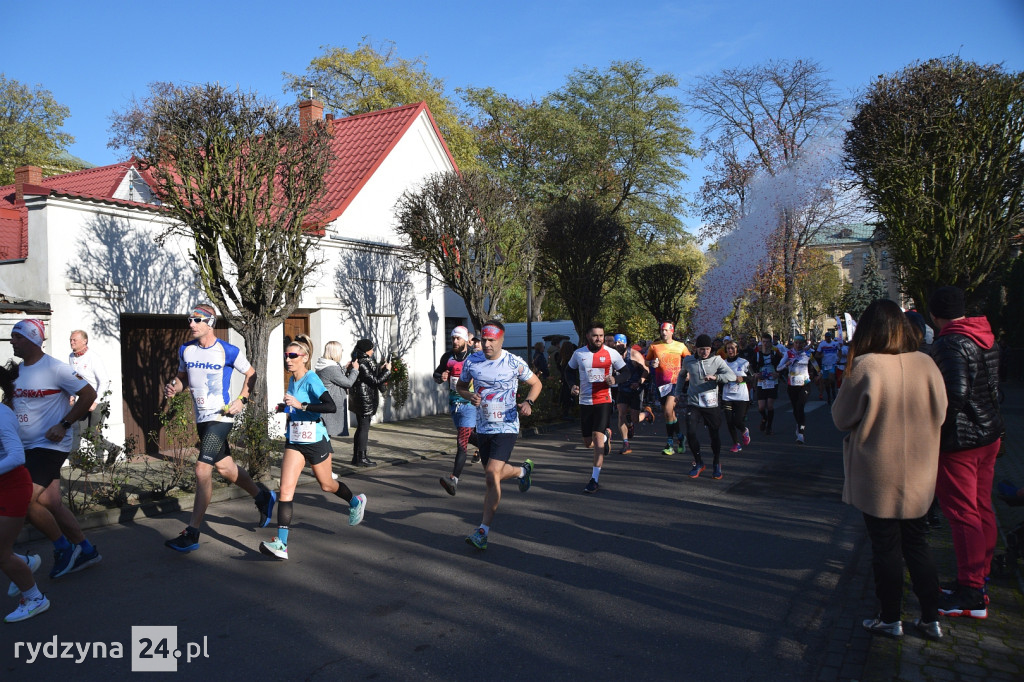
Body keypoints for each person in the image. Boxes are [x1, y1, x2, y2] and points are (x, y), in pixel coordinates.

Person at [832, 299, 948, 641]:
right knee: (917, 543)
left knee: (885, 548)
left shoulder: (865, 366)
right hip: (919, 469)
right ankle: (930, 617)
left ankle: (889, 617)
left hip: (877, 472)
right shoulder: (926, 363)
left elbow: (841, 419)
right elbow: (941, 413)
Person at [162, 304, 275, 553]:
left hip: (221, 417)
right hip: (202, 418)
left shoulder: (228, 350)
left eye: (197, 319)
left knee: (202, 469)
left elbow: (252, 374)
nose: (191, 324)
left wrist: (242, 399)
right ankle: (262, 496)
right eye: (189, 319)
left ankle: (192, 532)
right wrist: (174, 388)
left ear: (210, 322)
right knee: (225, 467)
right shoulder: (186, 350)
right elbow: (183, 380)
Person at [929, 286, 1004, 619]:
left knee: (962, 513)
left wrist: (935, 425)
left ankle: (971, 591)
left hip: (961, 440)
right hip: (989, 433)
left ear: (935, 314)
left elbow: (955, 395)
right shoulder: (984, 336)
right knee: (981, 505)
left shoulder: (949, 342)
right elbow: (994, 388)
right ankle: (979, 577)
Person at [259, 336, 367, 560]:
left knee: (327, 485)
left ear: (305, 358)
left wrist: (302, 405)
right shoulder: (292, 380)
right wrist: (285, 407)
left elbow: (330, 405)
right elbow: (295, 406)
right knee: (286, 490)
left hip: (316, 439)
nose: (288, 360)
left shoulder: (312, 379)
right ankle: (282, 544)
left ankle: (355, 501)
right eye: (286, 356)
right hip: (296, 440)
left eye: (293, 356)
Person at [10, 319, 102, 577]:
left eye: (16, 337)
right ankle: (86, 549)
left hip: (49, 445)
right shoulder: (18, 371)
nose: (11, 342)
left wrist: (64, 424)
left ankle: (63, 547)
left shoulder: (56, 369)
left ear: (31, 340)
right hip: (26, 445)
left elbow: (89, 394)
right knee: (51, 502)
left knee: (24, 499)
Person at [456, 320, 541, 550]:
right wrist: (468, 396)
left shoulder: (513, 362)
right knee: (493, 474)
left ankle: (482, 531)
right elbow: (460, 387)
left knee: (491, 474)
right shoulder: (472, 361)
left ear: (502, 340)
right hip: (483, 427)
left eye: (491, 340)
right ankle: (523, 470)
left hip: (507, 426)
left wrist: (528, 402)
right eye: (483, 339)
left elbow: (536, 383)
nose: (486, 344)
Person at [0, 362, 49, 622]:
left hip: (12, 488)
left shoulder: (1, 414)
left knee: (1, 554)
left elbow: (17, 456)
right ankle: (25, 562)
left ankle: (35, 599)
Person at [567, 323, 628, 493]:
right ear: (587, 336)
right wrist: (572, 385)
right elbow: (569, 371)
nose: (599, 339)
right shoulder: (579, 354)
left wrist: (616, 380)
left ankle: (594, 479)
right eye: (595, 336)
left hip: (603, 400)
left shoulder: (611, 353)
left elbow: (626, 372)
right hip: (585, 401)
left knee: (597, 437)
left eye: (601, 336)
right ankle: (607, 436)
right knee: (588, 443)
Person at [677, 335, 736, 480]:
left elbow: (732, 376)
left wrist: (717, 378)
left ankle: (716, 463)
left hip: (711, 404)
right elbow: (681, 375)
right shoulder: (689, 360)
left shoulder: (716, 360)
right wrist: (677, 392)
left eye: (708, 349)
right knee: (690, 432)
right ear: (696, 349)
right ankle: (699, 463)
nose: (705, 352)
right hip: (694, 402)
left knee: (714, 435)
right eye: (702, 349)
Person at [433, 326, 479, 495]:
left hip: (470, 404)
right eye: (453, 338)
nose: (454, 341)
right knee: (469, 436)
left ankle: (454, 479)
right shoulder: (447, 357)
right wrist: (441, 377)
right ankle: (489, 448)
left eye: (458, 338)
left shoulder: (475, 357)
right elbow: (436, 375)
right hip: (454, 404)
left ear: (466, 340)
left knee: (461, 442)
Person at [68, 329, 121, 460]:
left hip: (99, 399)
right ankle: (113, 448)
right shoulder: (71, 357)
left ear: (84, 341)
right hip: (84, 399)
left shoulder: (93, 358)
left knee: (94, 432)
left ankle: (98, 463)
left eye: (75, 340)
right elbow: (73, 379)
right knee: (83, 431)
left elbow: (104, 381)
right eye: (70, 340)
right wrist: (72, 395)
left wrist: (95, 401)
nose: (71, 342)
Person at [645, 321, 691, 456]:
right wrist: (651, 363)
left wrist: (687, 372)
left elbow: (689, 359)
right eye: (662, 330)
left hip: (675, 382)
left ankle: (670, 443)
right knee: (669, 414)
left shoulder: (680, 346)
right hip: (661, 384)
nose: (664, 333)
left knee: (668, 410)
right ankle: (681, 437)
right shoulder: (654, 346)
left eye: (666, 330)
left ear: (672, 331)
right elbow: (646, 360)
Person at [348, 339, 392, 467]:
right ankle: (361, 458)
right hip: (363, 399)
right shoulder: (362, 362)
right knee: (364, 429)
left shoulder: (363, 360)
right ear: (366, 350)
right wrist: (387, 371)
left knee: (362, 428)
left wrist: (380, 367)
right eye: (371, 349)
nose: (373, 351)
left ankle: (357, 457)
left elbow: (371, 374)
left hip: (363, 398)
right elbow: (375, 380)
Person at [777, 334, 819, 444]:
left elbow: (814, 363)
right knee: (796, 409)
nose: (798, 345)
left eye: (800, 343)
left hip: (804, 384)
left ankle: (801, 434)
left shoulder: (807, 353)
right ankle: (799, 424)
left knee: (800, 406)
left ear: (804, 344)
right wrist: (787, 363)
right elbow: (778, 367)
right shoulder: (788, 353)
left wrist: (819, 372)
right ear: (793, 343)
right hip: (792, 385)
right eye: (796, 343)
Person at [615, 344, 655, 455]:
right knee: (621, 414)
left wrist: (639, 382)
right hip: (622, 389)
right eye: (615, 343)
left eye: (620, 343)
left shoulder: (634, 355)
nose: (617, 345)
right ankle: (626, 443)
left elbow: (646, 370)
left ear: (625, 344)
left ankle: (646, 413)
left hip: (635, 390)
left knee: (635, 418)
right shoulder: (613, 355)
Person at [314, 341, 358, 439]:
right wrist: (355, 370)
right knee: (325, 436)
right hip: (331, 403)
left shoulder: (324, 364)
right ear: (335, 352)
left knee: (324, 435)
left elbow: (335, 377)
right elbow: (348, 383)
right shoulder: (331, 368)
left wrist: (345, 368)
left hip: (326, 402)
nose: (342, 352)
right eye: (341, 350)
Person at [722, 340, 752, 453]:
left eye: (732, 348)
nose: (730, 350)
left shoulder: (744, 362)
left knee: (737, 421)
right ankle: (736, 443)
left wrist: (743, 379)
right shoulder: (722, 363)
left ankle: (744, 430)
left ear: (737, 350)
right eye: (728, 348)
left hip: (741, 396)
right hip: (727, 397)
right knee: (729, 421)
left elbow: (752, 376)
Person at [754, 333, 782, 436]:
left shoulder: (775, 354)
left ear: (771, 343)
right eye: (763, 342)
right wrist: (755, 374)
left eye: (767, 342)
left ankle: (769, 427)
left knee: (769, 405)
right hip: (761, 382)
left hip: (772, 382)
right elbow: (750, 366)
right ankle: (764, 418)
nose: (765, 344)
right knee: (761, 407)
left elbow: (782, 366)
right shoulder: (757, 354)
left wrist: (778, 373)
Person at [815, 331, 841, 405]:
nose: (828, 338)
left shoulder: (835, 344)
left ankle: (833, 392)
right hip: (824, 365)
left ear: (831, 337)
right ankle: (829, 395)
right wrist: (820, 356)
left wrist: (839, 358)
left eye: (829, 337)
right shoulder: (822, 345)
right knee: (826, 381)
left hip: (832, 364)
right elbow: (817, 355)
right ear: (825, 338)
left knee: (831, 378)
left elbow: (840, 351)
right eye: (826, 337)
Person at [556, 339, 576, 419]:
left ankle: (564, 412)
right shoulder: (571, 358)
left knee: (565, 396)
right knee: (568, 396)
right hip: (570, 380)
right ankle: (567, 413)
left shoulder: (560, 357)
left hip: (564, 379)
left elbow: (558, 367)